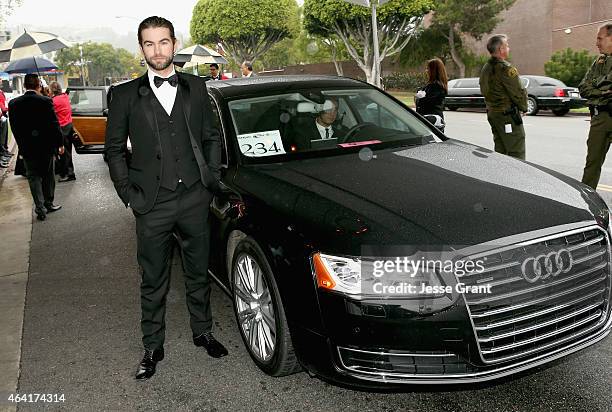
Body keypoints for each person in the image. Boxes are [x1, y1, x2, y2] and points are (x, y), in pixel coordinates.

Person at [104, 16, 227, 381]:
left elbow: (211, 136)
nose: (157, 50)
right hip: (151, 204)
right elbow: (113, 151)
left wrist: (211, 180)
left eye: (163, 42)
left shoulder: (196, 86)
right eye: (149, 44)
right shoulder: (125, 95)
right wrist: (128, 193)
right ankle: (152, 345)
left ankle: (203, 331)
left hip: (193, 197)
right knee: (153, 278)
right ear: (141, 49)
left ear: (174, 44)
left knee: (197, 272)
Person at [8, 73, 64, 221]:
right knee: (48, 176)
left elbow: (14, 127)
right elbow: (54, 124)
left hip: (27, 148)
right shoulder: (45, 101)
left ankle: (40, 208)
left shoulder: (13, 103)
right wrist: (60, 143)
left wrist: (21, 144)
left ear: (25, 85)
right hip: (46, 147)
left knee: (33, 177)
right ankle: (48, 203)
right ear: (38, 84)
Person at [479, 34, 528, 160]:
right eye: (507, 45)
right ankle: (516, 178)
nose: (508, 48)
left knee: (500, 150)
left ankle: (500, 178)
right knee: (516, 151)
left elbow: (484, 90)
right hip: (507, 115)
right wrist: (523, 107)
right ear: (501, 49)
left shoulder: (486, 67)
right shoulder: (506, 68)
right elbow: (517, 92)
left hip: (493, 114)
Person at [578, 22, 612, 190]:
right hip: (600, 119)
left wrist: (596, 86)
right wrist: (601, 91)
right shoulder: (599, 61)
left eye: (600, 38)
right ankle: (586, 204)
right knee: (592, 165)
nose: (597, 43)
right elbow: (583, 87)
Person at [50, 82, 76, 182]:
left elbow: (51, 113)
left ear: (52, 90)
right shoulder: (65, 97)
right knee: (68, 151)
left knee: (63, 153)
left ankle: (68, 174)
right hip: (69, 126)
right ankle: (68, 171)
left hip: (62, 128)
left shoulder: (54, 101)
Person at [415, 58, 448, 132]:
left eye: (428, 68)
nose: (426, 71)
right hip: (430, 119)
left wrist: (419, 97)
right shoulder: (433, 85)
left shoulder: (436, 86)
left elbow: (427, 103)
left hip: (432, 120)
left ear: (434, 71)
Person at [0, 88, 11, 168]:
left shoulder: (1, 91)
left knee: (3, 136)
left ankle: (4, 152)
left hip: (2, 115)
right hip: (1, 114)